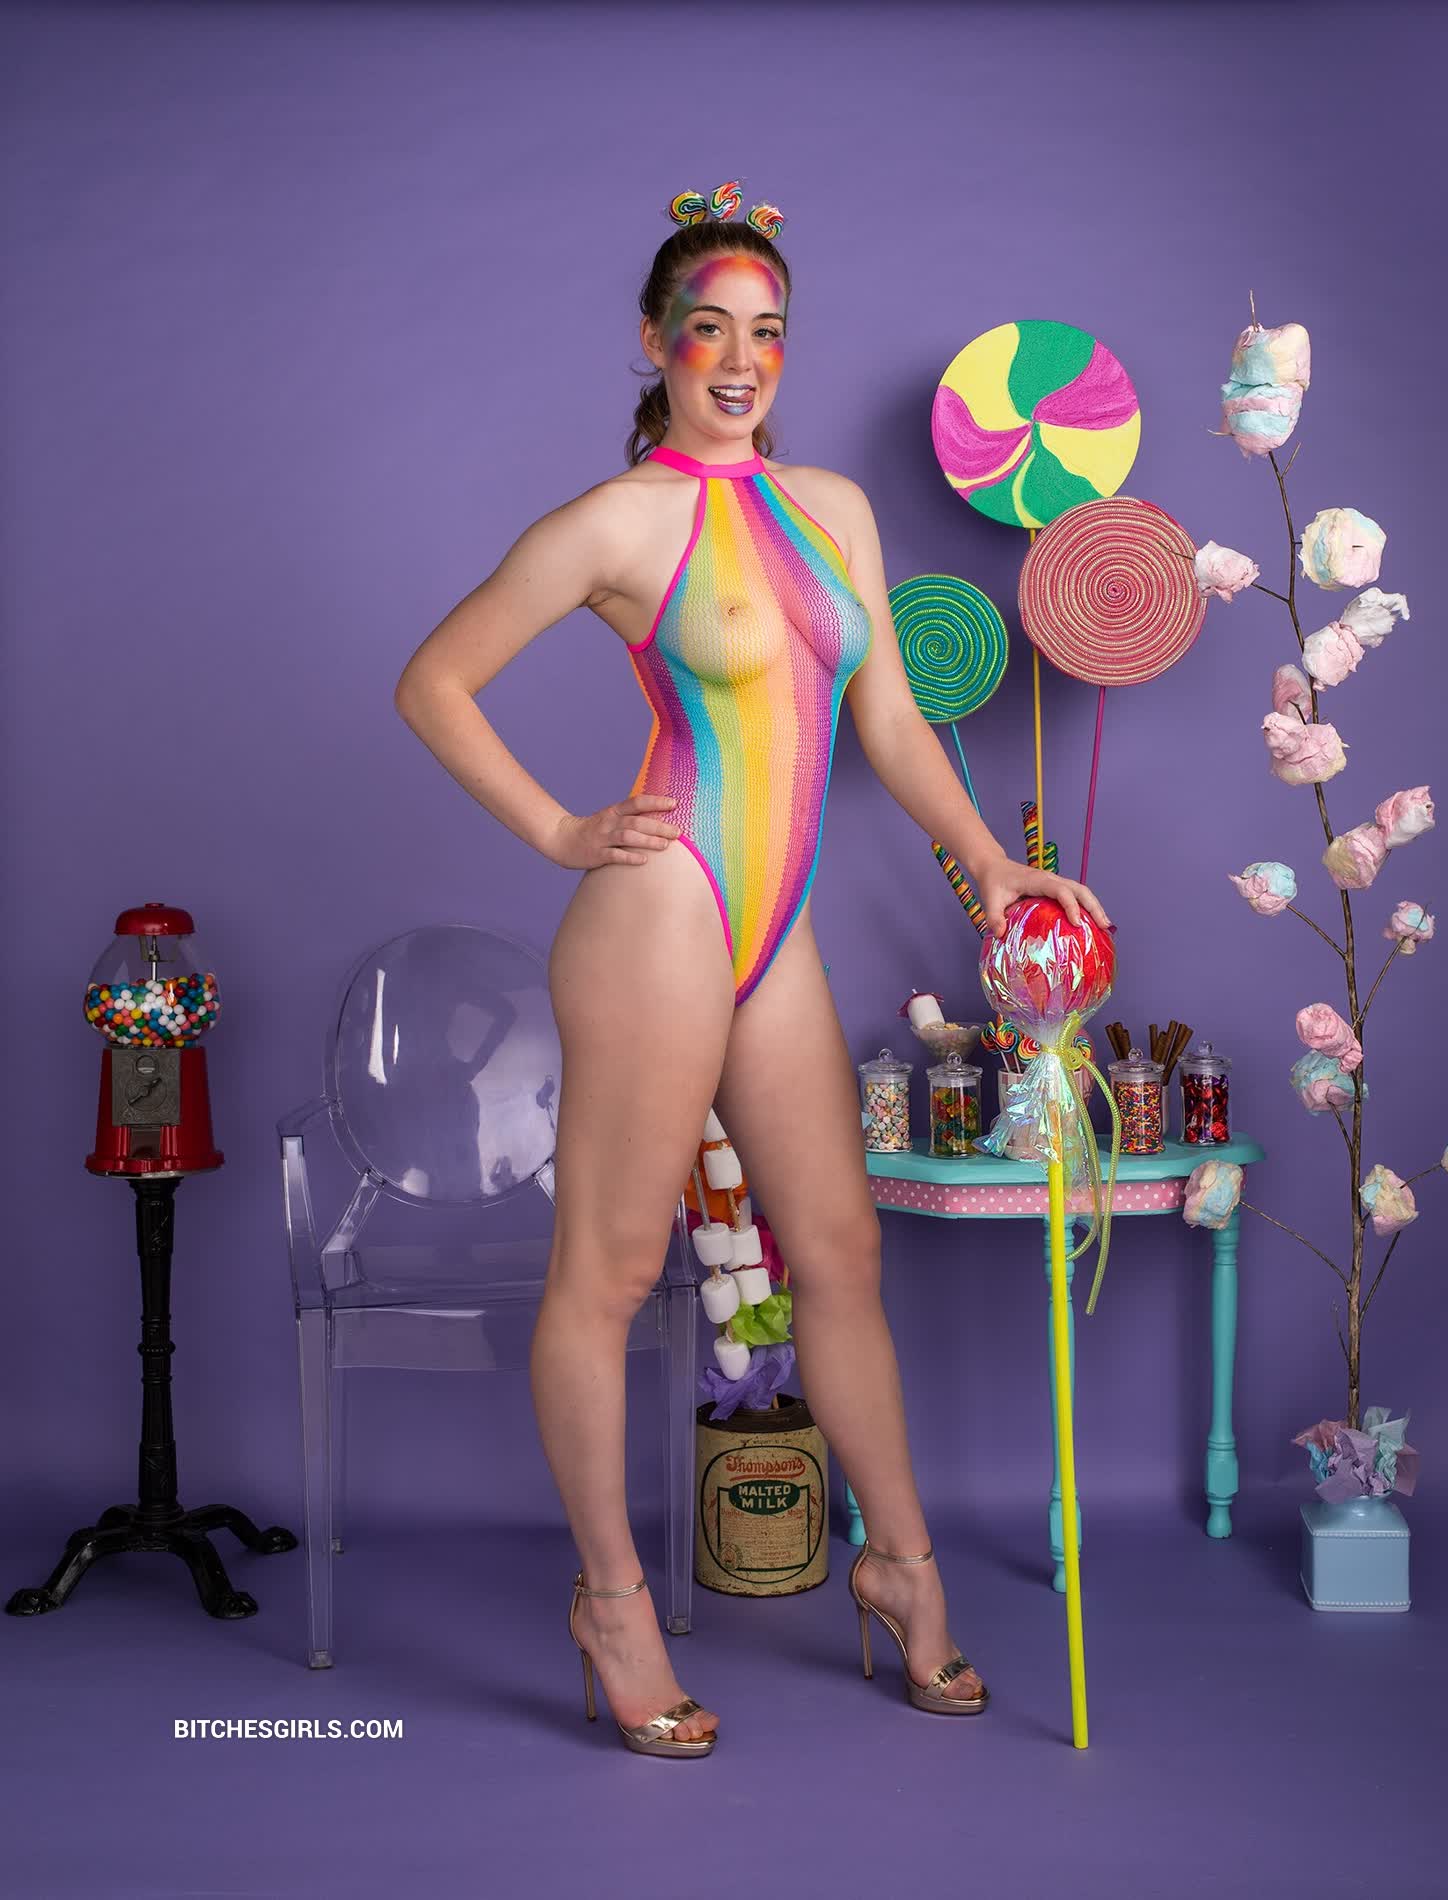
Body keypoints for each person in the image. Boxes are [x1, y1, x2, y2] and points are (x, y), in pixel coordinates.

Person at [394, 195, 1112, 1758]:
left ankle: (900, 1569)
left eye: (767, 331)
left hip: (776, 926)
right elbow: (433, 682)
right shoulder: (612, 523)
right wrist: (561, 829)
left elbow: (891, 723)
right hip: (660, 912)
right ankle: (612, 1604)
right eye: (709, 328)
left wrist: (991, 865)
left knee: (839, 1253)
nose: (739, 359)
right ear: (656, 342)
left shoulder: (834, 507)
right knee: (607, 1276)